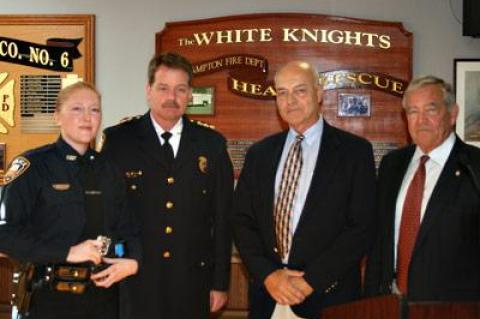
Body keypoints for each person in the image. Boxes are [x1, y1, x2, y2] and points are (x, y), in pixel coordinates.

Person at [232, 60, 376, 319]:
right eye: (283, 93)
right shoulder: (260, 154)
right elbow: (242, 221)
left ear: (319, 94)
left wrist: (311, 281)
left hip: (328, 296)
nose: (290, 101)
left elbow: (361, 227)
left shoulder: (354, 152)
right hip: (268, 296)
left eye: (300, 90)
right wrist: (268, 275)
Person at [101, 52, 234, 319]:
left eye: (180, 89)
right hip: (134, 279)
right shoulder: (119, 141)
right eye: (163, 88)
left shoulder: (212, 144)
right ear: (149, 90)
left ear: (190, 95)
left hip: (192, 283)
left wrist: (219, 283)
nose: (171, 97)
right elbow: (106, 214)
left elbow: (223, 219)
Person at [0, 81, 140, 319]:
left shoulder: (110, 170)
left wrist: (132, 261)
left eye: (94, 110)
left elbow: (128, 229)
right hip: (49, 299)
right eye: (77, 109)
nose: (87, 117)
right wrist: (67, 252)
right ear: (57, 117)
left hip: (104, 298)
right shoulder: (33, 167)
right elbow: (5, 234)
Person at [364, 75, 480, 301]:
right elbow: (380, 240)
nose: (421, 121)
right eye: (413, 112)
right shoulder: (392, 164)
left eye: (431, 110)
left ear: (453, 114)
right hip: (391, 303)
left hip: (453, 308)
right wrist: (371, 300)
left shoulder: (473, 166)